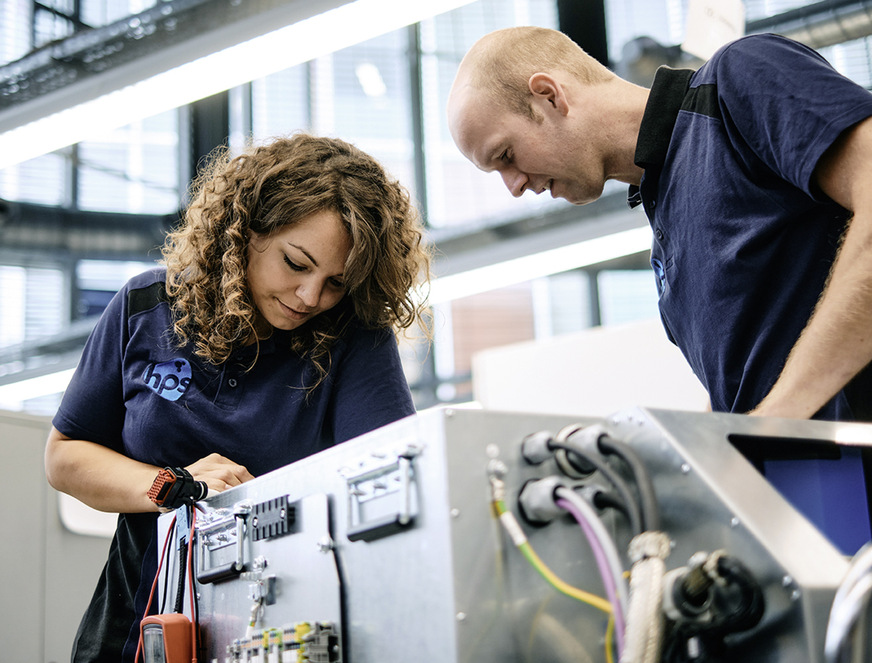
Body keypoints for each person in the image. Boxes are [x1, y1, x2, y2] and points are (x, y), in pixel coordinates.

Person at [44, 133, 432, 662]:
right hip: (134, 627)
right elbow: (65, 456)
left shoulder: (353, 339)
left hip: (284, 630)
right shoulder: (145, 309)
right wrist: (173, 486)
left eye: (337, 282)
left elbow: (388, 481)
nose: (311, 297)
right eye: (296, 263)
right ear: (242, 232)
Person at [447, 26, 872, 422]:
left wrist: (776, 420)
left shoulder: (735, 81)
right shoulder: (666, 231)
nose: (515, 187)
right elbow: (748, 383)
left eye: (505, 156)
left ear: (549, 96)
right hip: (810, 486)